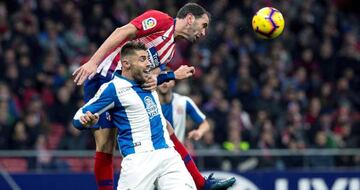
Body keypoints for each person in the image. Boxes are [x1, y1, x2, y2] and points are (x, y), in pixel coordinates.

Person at [72, 3, 235, 190]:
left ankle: (200, 183)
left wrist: (157, 79)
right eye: (204, 25)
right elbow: (122, 31)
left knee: (166, 128)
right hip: (103, 79)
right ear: (190, 18)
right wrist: (93, 62)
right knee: (105, 144)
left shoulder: (170, 51)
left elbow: (145, 76)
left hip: (130, 89)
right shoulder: (161, 20)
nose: (204, 32)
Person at [73, 42, 196, 190]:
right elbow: (78, 117)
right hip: (139, 160)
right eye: (142, 59)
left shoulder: (149, 81)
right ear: (126, 64)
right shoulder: (113, 89)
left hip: (168, 155)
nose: (148, 64)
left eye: (148, 59)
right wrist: (85, 121)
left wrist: (174, 75)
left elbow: (162, 77)